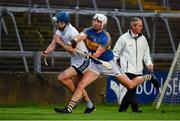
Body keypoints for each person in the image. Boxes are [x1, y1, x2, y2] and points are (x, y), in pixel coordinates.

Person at [54, 13, 159, 113]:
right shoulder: (88, 30)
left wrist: (89, 54)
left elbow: (96, 55)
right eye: (94, 20)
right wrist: (74, 41)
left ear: (103, 24)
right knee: (81, 84)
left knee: (130, 85)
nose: (95, 23)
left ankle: (148, 77)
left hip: (108, 64)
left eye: (98, 21)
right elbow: (81, 36)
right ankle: (69, 108)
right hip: (95, 65)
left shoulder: (106, 37)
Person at [41, 11, 96, 113]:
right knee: (79, 86)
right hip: (75, 59)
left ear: (63, 23)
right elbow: (54, 44)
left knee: (62, 77)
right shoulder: (60, 30)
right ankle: (90, 105)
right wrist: (46, 52)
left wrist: (60, 42)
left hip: (83, 60)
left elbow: (71, 49)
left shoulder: (71, 32)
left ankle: (76, 99)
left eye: (58, 22)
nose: (56, 24)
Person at [113, 17, 159, 113]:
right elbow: (115, 54)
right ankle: (135, 109)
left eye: (141, 25)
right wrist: (113, 65)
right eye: (140, 25)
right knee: (131, 88)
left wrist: (149, 64)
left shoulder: (143, 38)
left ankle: (122, 109)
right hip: (126, 70)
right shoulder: (123, 38)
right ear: (133, 26)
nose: (142, 27)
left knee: (131, 90)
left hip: (139, 70)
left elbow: (146, 54)